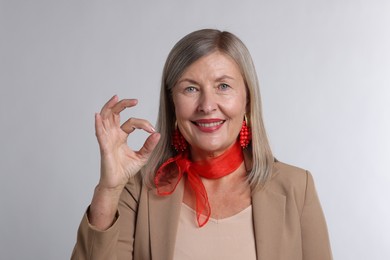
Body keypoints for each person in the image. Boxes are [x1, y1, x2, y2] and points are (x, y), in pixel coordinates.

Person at [71, 29, 332, 260]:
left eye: (223, 86)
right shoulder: (137, 190)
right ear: (172, 103)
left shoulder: (298, 188)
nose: (207, 105)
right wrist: (109, 188)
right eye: (191, 89)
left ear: (247, 101)